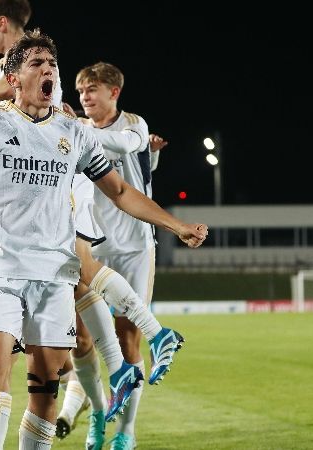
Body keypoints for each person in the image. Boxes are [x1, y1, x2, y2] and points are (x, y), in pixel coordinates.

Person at [0, 30, 208, 450]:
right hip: (1, 272)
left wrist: (175, 225)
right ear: (13, 79)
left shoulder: (75, 132)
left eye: (52, 64)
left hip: (55, 278)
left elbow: (121, 192)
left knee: (46, 386)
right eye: (36, 63)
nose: (48, 70)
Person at [72, 61, 178, 449]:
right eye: (81, 90)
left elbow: (128, 146)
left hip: (134, 246)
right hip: (92, 246)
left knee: (127, 338)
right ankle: (98, 412)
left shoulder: (133, 124)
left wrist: (81, 132)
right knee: (82, 340)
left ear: (114, 93)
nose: (84, 97)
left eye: (93, 90)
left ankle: (125, 431)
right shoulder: (77, 130)